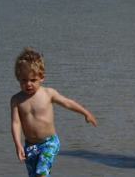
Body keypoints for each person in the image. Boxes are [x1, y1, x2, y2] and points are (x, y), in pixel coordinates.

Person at [10, 48, 97, 177]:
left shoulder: (48, 94)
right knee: (35, 175)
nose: (28, 84)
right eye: (24, 80)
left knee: (42, 172)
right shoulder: (16, 100)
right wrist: (18, 145)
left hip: (49, 143)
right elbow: (16, 123)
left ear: (41, 78)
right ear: (18, 78)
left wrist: (86, 113)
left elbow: (67, 102)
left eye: (33, 80)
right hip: (30, 146)